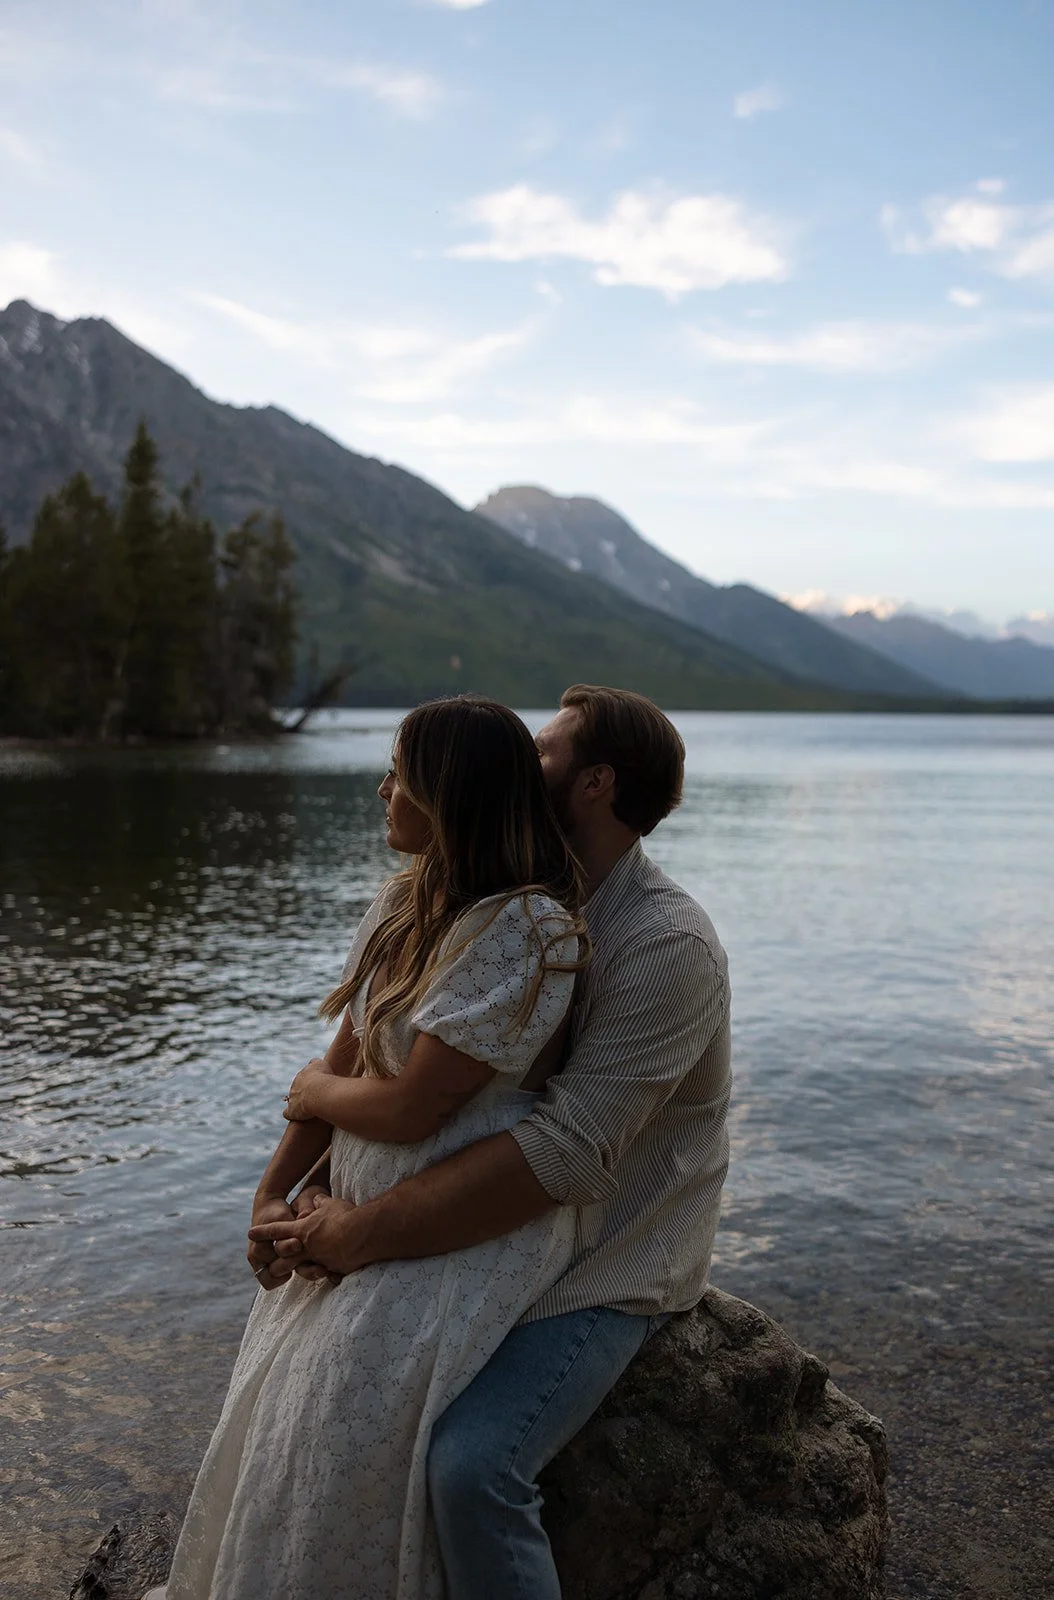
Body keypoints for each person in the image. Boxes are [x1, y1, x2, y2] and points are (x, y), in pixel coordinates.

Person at [252, 684, 733, 1600]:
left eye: (543, 748)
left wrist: (359, 1233)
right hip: (494, 1233)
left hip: (607, 1261)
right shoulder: (485, 900)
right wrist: (297, 1190)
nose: (520, 755)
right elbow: (373, 1049)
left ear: (593, 784)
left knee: (471, 1467)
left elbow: (565, 1153)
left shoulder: (665, 943)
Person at [152, 696, 589, 1600]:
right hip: (353, 1213)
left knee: (344, 1427)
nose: (382, 789)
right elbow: (346, 1055)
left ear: (449, 793)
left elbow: (415, 1108)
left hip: (447, 1230)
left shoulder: (528, 928)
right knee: (278, 1421)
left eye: (401, 773)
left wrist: (315, 1093)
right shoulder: (409, 901)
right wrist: (272, 1194)